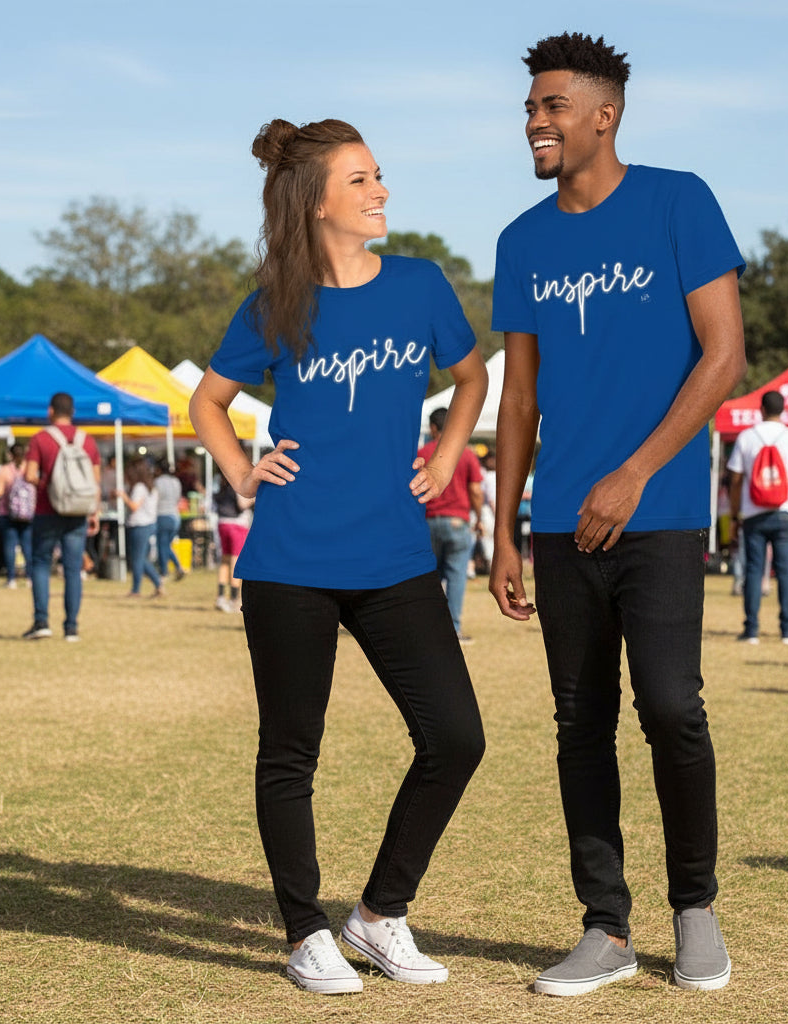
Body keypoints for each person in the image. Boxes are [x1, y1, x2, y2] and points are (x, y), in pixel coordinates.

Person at [188, 116, 487, 996]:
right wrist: (244, 467)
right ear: (317, 200)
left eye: (379, 176)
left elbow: (471, 377)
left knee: (455, 736)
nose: (380, 190)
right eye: (360, 180)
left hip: (395, 555)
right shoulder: (276, 303)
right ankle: (304, 931)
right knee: (291, 752)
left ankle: (380, 915)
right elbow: (210, 402)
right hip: (291, 557)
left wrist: (445, 456)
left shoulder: (422, 286)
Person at [489, 32, 746, 995]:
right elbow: (519, 400)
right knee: (578, 721)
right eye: (528, 108)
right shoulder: (522, 239)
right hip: (559, 523)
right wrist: (504, 527)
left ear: (607, 114)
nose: (534, 123)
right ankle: (605, 927)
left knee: (672, 707)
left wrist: (634, 472)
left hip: (662, 509)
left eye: (552, 106)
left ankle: (695, 910)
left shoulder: (680, 200)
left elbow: (723, 356)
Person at [727, 390, 788, 644]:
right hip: (786, 512)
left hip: (754, 513)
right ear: (783, 409)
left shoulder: (746, 437)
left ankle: (751, 629)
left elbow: (735, 480)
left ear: (761, 409)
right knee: (785, 571)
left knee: (754, 570)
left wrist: (734, 516)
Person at [23, 392, 102, 641]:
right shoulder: (86, 440)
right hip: (79, 511)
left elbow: (29, 475)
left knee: (41, 563)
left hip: (48, 510)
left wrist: (48, 485)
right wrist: (94, 511)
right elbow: (95, 481)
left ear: (50, 411)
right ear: (73, 411)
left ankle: (42, 622)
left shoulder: (40, 439)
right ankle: (71, 628)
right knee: (72, 568)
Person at [418, 406, 484, 642]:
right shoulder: (465, 454)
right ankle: (453, 629)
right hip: (458, 521)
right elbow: (476, 490)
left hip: (427, 522)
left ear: (433, 428)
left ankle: (426, 630)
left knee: (426, 579)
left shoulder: (422, 452)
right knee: (456, 578)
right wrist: (478, 518)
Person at [116, 456, 164, 598]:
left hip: (139, 525)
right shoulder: (151, 487)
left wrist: (123, 496)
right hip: (149, 524)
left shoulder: (139, 488)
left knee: (138, 559)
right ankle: (157, 584)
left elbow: (134, 506)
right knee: (141, 558)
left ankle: (138, 589)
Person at [0, 442, 34, 588]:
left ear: (10, 454)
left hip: (7, 513)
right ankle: (30, 577)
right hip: (28, 515)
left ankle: (11, 578)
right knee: (27, 546)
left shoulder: (5, 470)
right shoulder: (29, 468)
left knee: (10, 546)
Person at [212, 474, 252, 612]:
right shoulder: (238, 484)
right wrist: (255, 497)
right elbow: (242, 504)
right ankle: (234, 599)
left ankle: (221, 597)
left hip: (222, 523)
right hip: (237, 525)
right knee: (235, 562)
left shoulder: (221, 486)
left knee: (225, 560)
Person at [153, 458, 185, 583]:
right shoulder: (176, 481)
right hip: (175, 516)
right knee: (166, 545)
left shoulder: (157, 482)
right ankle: (178, 567)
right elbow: (178, 498)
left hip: (162, 515)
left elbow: (155, 498)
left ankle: (164, 572)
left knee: (162, 545)